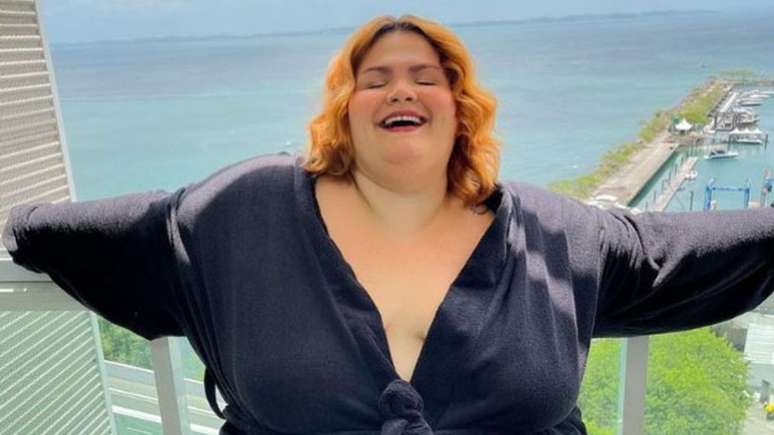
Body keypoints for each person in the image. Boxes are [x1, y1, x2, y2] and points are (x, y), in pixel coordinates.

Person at [3, 14, 774, 435]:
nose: (399, 89)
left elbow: (681, 252)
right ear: (344, 112)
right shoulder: (240, 214)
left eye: (424, 77)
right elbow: (76, 230)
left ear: (460, 109)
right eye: (374, 79)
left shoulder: (556, 231)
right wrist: (19, 221)